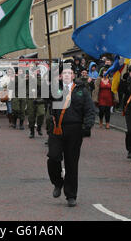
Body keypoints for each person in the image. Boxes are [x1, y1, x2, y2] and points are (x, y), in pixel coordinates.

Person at [47, 65, 96, 207]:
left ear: (74, 75)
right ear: (61, 76)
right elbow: (43, 95)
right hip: (57, 129)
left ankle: (71, 195)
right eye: (64, 73)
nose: (67, 75)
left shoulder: (82, 91)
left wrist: (87, 125)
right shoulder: (55, 89)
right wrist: (50, 79)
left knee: (71, 163)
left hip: (74, 130)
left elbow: (89, 109)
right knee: (53, 157)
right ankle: (57, 182)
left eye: (70, 73)